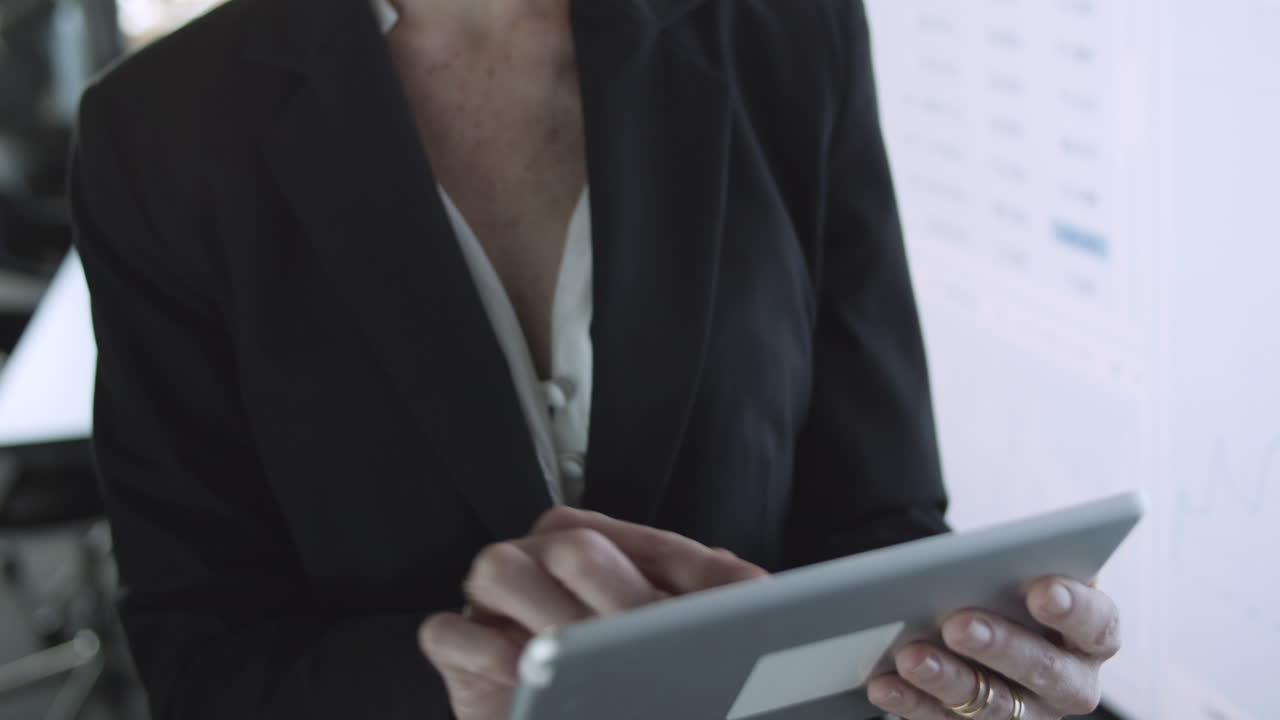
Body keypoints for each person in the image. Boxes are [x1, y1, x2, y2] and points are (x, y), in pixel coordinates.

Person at [69, 0, 1123, 718]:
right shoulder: (161, 129)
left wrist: (963, 668)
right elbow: (200, 650)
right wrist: (455, 687)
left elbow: (876, 520)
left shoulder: (784, 29)